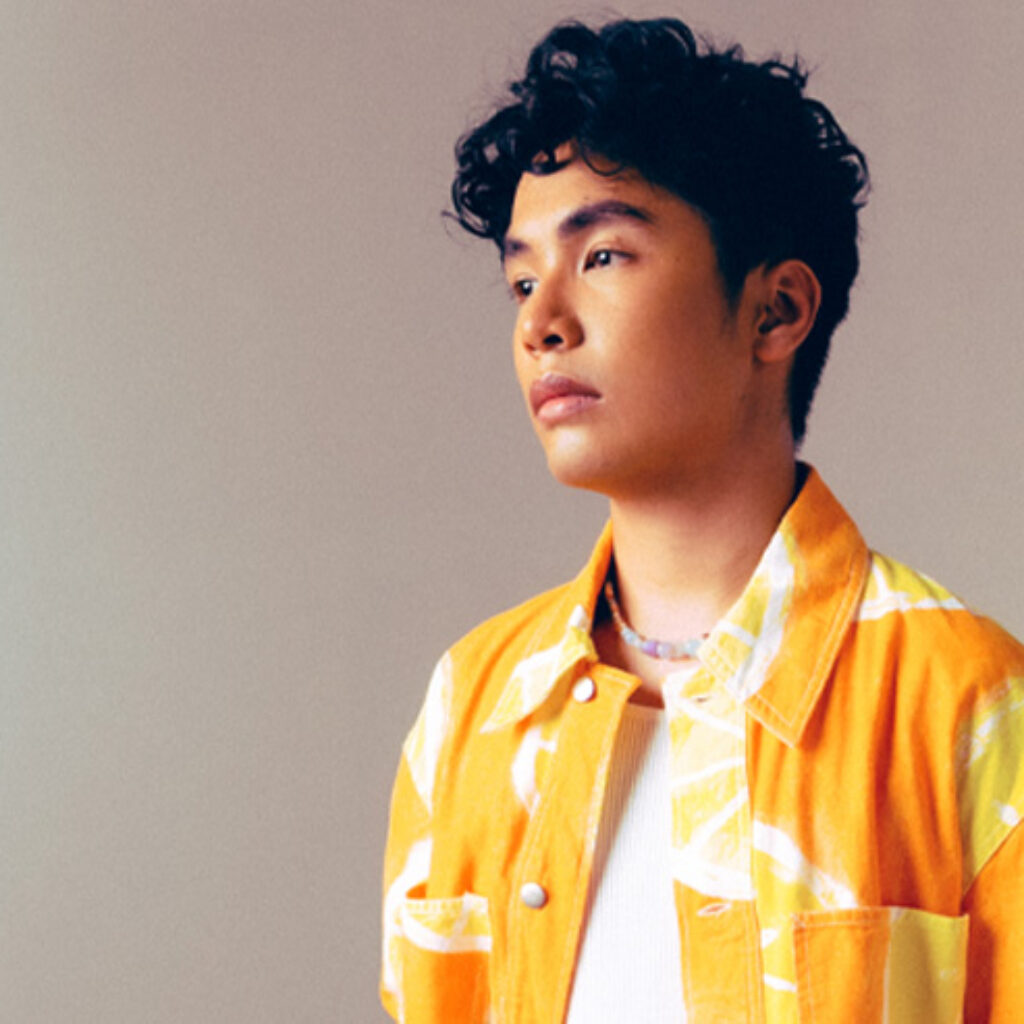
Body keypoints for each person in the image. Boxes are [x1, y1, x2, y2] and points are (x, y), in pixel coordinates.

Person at [380, 17, 1024, 1023]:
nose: (539, 321)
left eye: (602, 256)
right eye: (521, 279)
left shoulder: (967, 704)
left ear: (776, 312)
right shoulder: (474, 705)